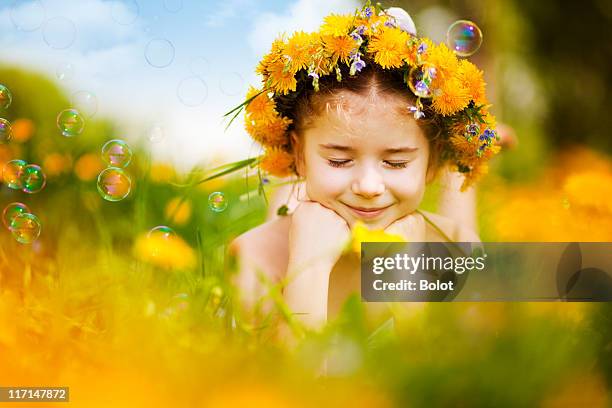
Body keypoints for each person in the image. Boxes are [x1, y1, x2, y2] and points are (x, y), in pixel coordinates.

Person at [227, 4, 500, 346]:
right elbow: (291, 387)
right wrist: (308, 267)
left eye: (397, 162)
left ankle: (454, 173)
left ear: (430, 165)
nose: (369, 187)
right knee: (293, 196)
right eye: (340, 160)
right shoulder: (254, 256)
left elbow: (461, 367)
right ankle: (294, 185)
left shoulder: (454, 245)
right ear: (298, 153)